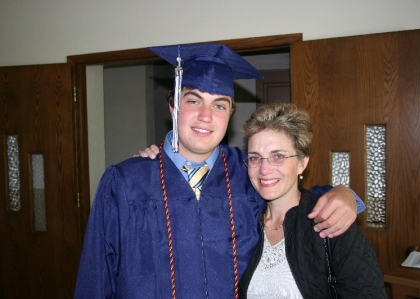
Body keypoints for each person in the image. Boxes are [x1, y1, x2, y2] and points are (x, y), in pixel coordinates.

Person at [75, 43, 364, 298]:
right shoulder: (125, 184)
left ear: (229, 115)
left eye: (219, 105)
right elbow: (96, 280)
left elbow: (298, 200)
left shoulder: (248, 172)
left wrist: (345, 194)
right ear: (173, 107)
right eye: (193, 100)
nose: (205, 116)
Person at [238, 102, 387, 298]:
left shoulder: (332, 222)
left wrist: (346, 193)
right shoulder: (243, 225)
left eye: (278, 156)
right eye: (255, 158)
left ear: (302, 163)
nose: (264, 170)